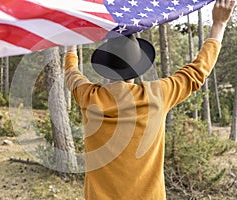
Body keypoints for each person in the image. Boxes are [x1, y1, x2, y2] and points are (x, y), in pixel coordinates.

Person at [64, 0, 235, 199]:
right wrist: (219, 25)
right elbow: (197, 71)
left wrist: (70, 41)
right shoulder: (157, 96)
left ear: (106, 66)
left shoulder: (89, 97)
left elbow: (71, 72)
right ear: (138, 65)